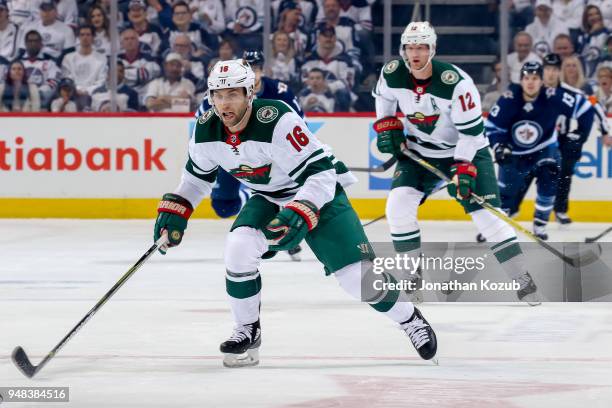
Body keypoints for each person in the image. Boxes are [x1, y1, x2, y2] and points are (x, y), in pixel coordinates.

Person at [153, 58, 438, 367]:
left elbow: (322, 174)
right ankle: (247, 329)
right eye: (218, 95)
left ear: (250, 94)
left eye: (233, 94)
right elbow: (195, 180)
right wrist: (178, 210)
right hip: (270, 197)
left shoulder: (277, 119)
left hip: (319, 194)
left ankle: (410, 319)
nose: (224, 103)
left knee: (356, 277)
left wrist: (302, 210)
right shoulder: (206, 129)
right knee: (239, 245)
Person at [372, 21, 540, 303]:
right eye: (410, 47)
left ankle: (521, 276)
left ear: (432, 49)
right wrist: (388, 126)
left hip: (465, 151)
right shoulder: (391, 73)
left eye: (422, 47)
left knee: (486, 215)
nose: (415, 53)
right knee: (398, 204)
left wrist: (463, 167)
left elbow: (472, 134)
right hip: (419, 152)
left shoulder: (457, 84)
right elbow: (383, 100)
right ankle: (412, 276)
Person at [195, 49, 306, 259]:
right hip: (234, 156)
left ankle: (283, 226)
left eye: (255, 68)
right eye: (247, 68)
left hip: (273, 160)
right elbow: (203, 127)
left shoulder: (280, 92)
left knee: (282, 193)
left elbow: (300, 125)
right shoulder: (219, 91)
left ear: (262, 70)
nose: (252, 73)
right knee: (223, 207)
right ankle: (249, 196)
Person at [485, 61, 593, 239]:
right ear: (521, 80)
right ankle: (497, 227)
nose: (530, 82)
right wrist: (499, 146)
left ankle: (540, 225)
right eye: (527, 78)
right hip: (515, 152)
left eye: (535, 78)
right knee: (505, 193)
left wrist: (581, 134)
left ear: (542, 81)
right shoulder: (509, 98)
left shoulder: (553, 96)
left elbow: (585, 108)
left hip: (544, 149)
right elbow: (492, 127)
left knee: (550, 177)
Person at [541, 53, 608, 224]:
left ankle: (560, 210)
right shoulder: (547, 87)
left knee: (565, 172)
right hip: (546, 136)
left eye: (574, 65)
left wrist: (604, 131)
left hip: (567, 137)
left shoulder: (585, 88)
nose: (571, 69)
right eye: (567, 66)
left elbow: (594, 106)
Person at [61, 25, 108, 111]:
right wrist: (77, 90)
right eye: (82, 35)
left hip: (94, 94)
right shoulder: (68, 58)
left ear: (93, 37)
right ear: (78, 37)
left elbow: (101, 80)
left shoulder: (101, 58)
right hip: (72, 93)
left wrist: (88, 91)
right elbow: (67, 78)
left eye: (88, 35)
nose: (85, 37)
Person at [17, 29, 61, 109]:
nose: (33, 43)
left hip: (41, 101)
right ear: (25, 44)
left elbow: (53, 82)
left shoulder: (50, 63)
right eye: (30, 41)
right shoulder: (18, 63)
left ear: (41, 44)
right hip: (20, 100)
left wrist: (35, 93)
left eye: (36, 41)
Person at [576, 4, 610, 79]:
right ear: (586, 19)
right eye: (590, 15)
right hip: (586, 76)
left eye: (597, 14)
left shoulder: (608, 35)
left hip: (603, 74)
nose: (595, 17)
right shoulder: (583, 37)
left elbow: (606, 53)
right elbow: (581, 55)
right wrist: (591, 34)